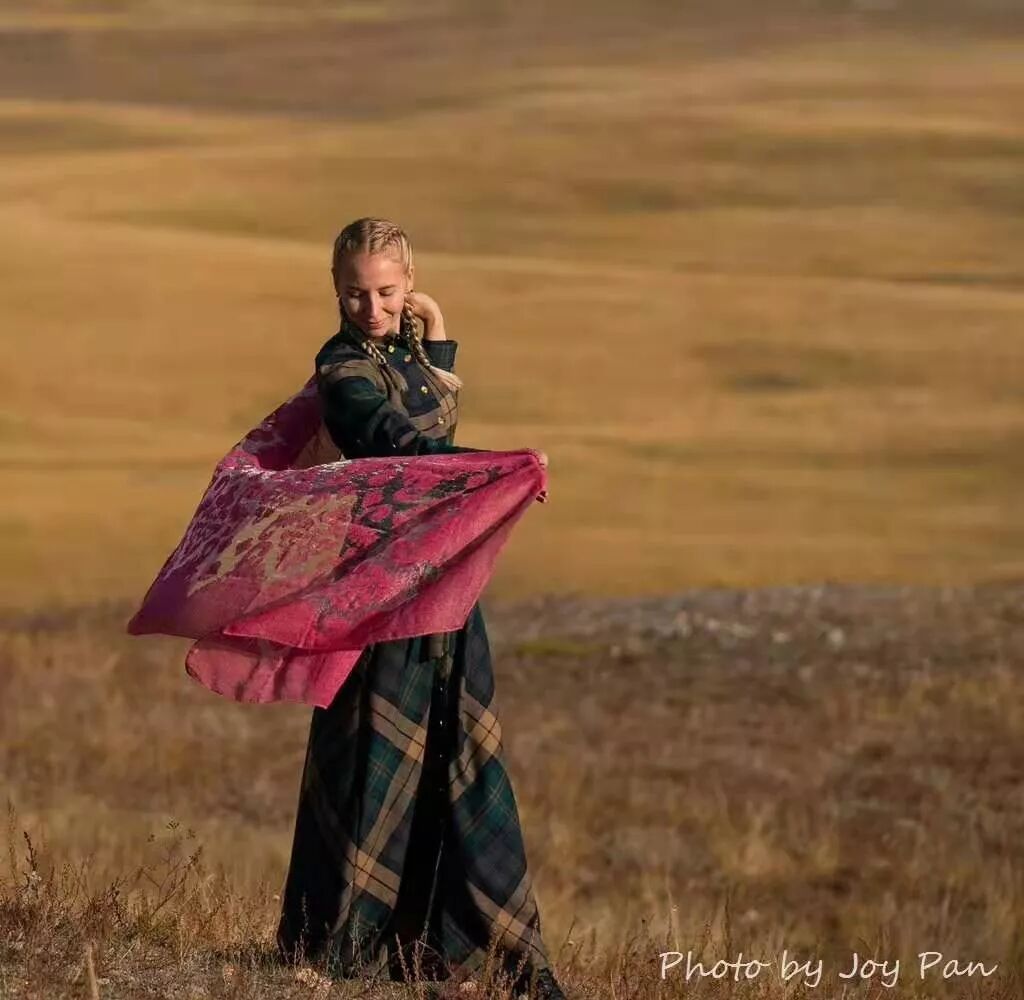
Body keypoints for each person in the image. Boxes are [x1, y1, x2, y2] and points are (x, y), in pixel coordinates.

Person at [275, 217, 566, 1000]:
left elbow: (429, 405)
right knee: (371, 756)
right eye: (354, 294)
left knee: (457, 750)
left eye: (385, 292)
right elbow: (394, 440)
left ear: (407, 284)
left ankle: (454, 950)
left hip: (444, 578)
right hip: (378, 587)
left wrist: (435, 332)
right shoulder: (342, 368)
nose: (369, 308)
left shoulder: (403, 352)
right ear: (335, 291)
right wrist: (493, 471)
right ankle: (337, 947)